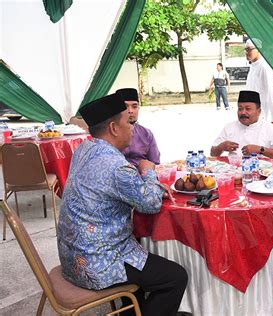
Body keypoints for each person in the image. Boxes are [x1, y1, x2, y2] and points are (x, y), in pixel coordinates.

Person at [57, 93, 187, 316]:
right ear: (114, 128)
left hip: (72, 257)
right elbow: (151, 203)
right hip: (97, 263)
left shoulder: (84, 149)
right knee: (175, 277)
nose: (133, 129)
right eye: (129, 122)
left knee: (143, 265)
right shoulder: (116, 167)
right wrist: (147, 171)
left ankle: (131, 311)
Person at [210, 90, 273, 160]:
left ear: (259, 111)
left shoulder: (270, 128)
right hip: (235, 172)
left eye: (248, 109)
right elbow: (213, 153)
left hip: (261, 172)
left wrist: (260, 150)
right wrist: (221, 147)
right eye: (240, 108)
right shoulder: (229, 127)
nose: (243, 112)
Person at [116, 88, 160, 167]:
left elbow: (155, 163)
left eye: (134, 106)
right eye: (125, 107)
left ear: (138, 108)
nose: (130, 111)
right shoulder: (109, 134)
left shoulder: (146, 134)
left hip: (142, 177)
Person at [245, 38, 273, 125]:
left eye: (249, 49)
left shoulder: (264, 67)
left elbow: (272, 93)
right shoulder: (253, 67)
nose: (247, 52)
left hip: (262, 116)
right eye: (246, 49)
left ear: (258, 49)